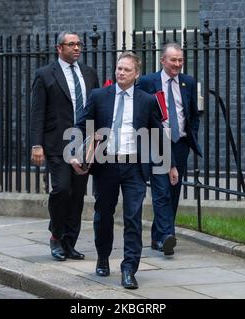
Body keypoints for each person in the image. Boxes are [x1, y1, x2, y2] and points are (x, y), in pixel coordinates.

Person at [72, 52, 174, 289]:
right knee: (103, 215)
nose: (120, 73)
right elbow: (81, 124)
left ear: (136, 74)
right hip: (106, 164)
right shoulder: (99, 96)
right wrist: (75, 152)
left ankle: (129, 269)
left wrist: (170, 164)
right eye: (119, 68)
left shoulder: (146, 100)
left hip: (134, 167)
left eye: (126, 70)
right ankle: (103, 258)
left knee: (133, 218)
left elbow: (158, 133)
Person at [30, 31, 99, 261]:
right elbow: (37, 113)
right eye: (72, 44)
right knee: (62, 190)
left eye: (79, 44)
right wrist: (36, 145)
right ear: (59, 48)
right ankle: (56, 236)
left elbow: (96, 109)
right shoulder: (45, 75)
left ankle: (70, 242)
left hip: (83, 143)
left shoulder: (89, 74)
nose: (77, 48)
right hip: (56, 144)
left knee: (78, 195)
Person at [137, 42, 202, 256]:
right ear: (162, 60)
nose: (177, 64)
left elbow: (193, 113)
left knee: (174, 190)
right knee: (161, 189)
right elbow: (140, 110)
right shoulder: (148, 82)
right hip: (157, 141)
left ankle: (158, 236)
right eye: (173, 60)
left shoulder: (188, 82)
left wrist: (190, 133)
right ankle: (167, 236)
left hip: (180, 143)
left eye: (180, 60)